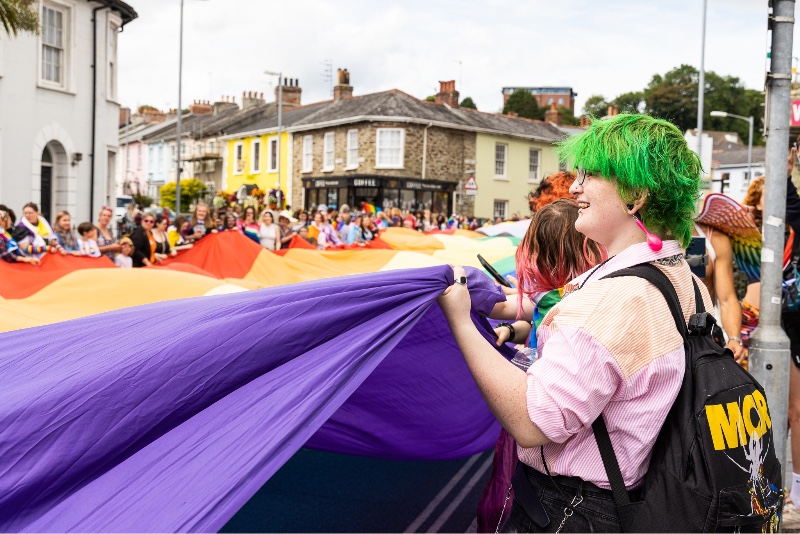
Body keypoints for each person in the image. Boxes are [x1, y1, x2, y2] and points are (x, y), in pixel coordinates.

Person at [437, 114, 711, 532]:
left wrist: (461, 323)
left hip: (577, 509)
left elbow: (532, 423)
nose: (575, 186)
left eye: (590, 175)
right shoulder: (685, 281)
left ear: (635, 195)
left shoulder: (611, 300)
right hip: (637, 497)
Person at [478, 198, 605, 533]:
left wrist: (470, 295)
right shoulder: (568, 293)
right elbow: (527, 320)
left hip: (544, 412)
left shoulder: (558, 298)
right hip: (559, 415)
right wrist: (511, 328)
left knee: (518, 487)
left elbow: (510, 307)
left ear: (546, 255)